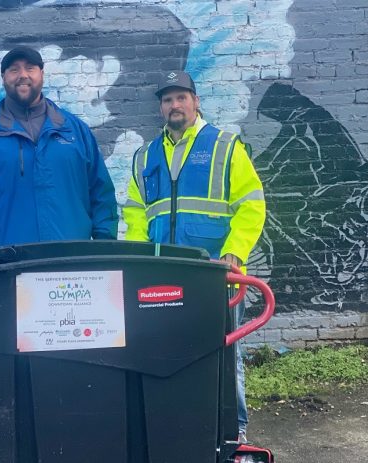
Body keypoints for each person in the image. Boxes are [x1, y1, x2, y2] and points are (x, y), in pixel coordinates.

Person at [123, 71, 266, 443]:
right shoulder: (145, 156)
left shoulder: (225, 146)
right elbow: (136, 214)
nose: (175, 105)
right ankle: (177, 426)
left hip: (217, 277)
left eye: (181, 97)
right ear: (161, 107)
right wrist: (138, 261)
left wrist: (234, 253)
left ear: (196, 101)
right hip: (161, 275)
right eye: (168, 99)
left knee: (224, 356)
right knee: (165, 352)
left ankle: (233, 432)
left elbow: (251, 206)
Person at [0, 46, 118, 253]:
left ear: (42, 75)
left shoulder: (74, 131)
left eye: (30, 68)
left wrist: (104, 247)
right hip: (6, 266)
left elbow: (102, 195)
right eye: (14, 70)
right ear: (3, 77)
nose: (23, 75)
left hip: (70, 264)